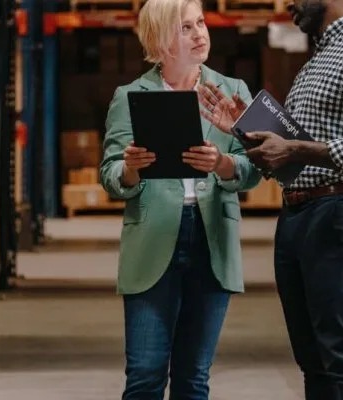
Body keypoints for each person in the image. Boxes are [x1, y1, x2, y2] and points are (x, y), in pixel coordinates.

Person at [201, 0, 343, 398]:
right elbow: (291, 153)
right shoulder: (318, 59)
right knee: (312, 358)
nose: (287, 3)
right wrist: (247, 127)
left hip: (338, 211)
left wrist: (294, 150)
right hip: (300, 213)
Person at [98, 0, 262, 397]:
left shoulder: (234, 91)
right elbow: (110, 174)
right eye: (185, 27)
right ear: (160, 38)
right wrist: (132, 168)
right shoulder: (130, 96)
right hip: (154, 239)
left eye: (201, 23)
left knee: (193, 377)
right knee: (145, 375)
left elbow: (254, 168)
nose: (200, 33)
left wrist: (222, 163)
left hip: (212, 240)